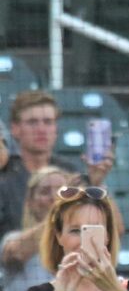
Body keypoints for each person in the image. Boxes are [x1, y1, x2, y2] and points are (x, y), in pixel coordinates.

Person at [0, 90, 113, 242]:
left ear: (56, 129)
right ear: (15, 129)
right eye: (32, 122)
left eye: (48, 122)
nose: (41, 129)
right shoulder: (4, 173)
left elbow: (115, 231)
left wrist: (97, 183)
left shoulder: (71, 173)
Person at [1, 166, 72, 291]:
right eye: (45, 192)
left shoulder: (80, 244)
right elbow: (16, 253)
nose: (54, 197)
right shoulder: (13, 239)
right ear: (30, 203)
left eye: (61, 191)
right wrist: (58, 214)